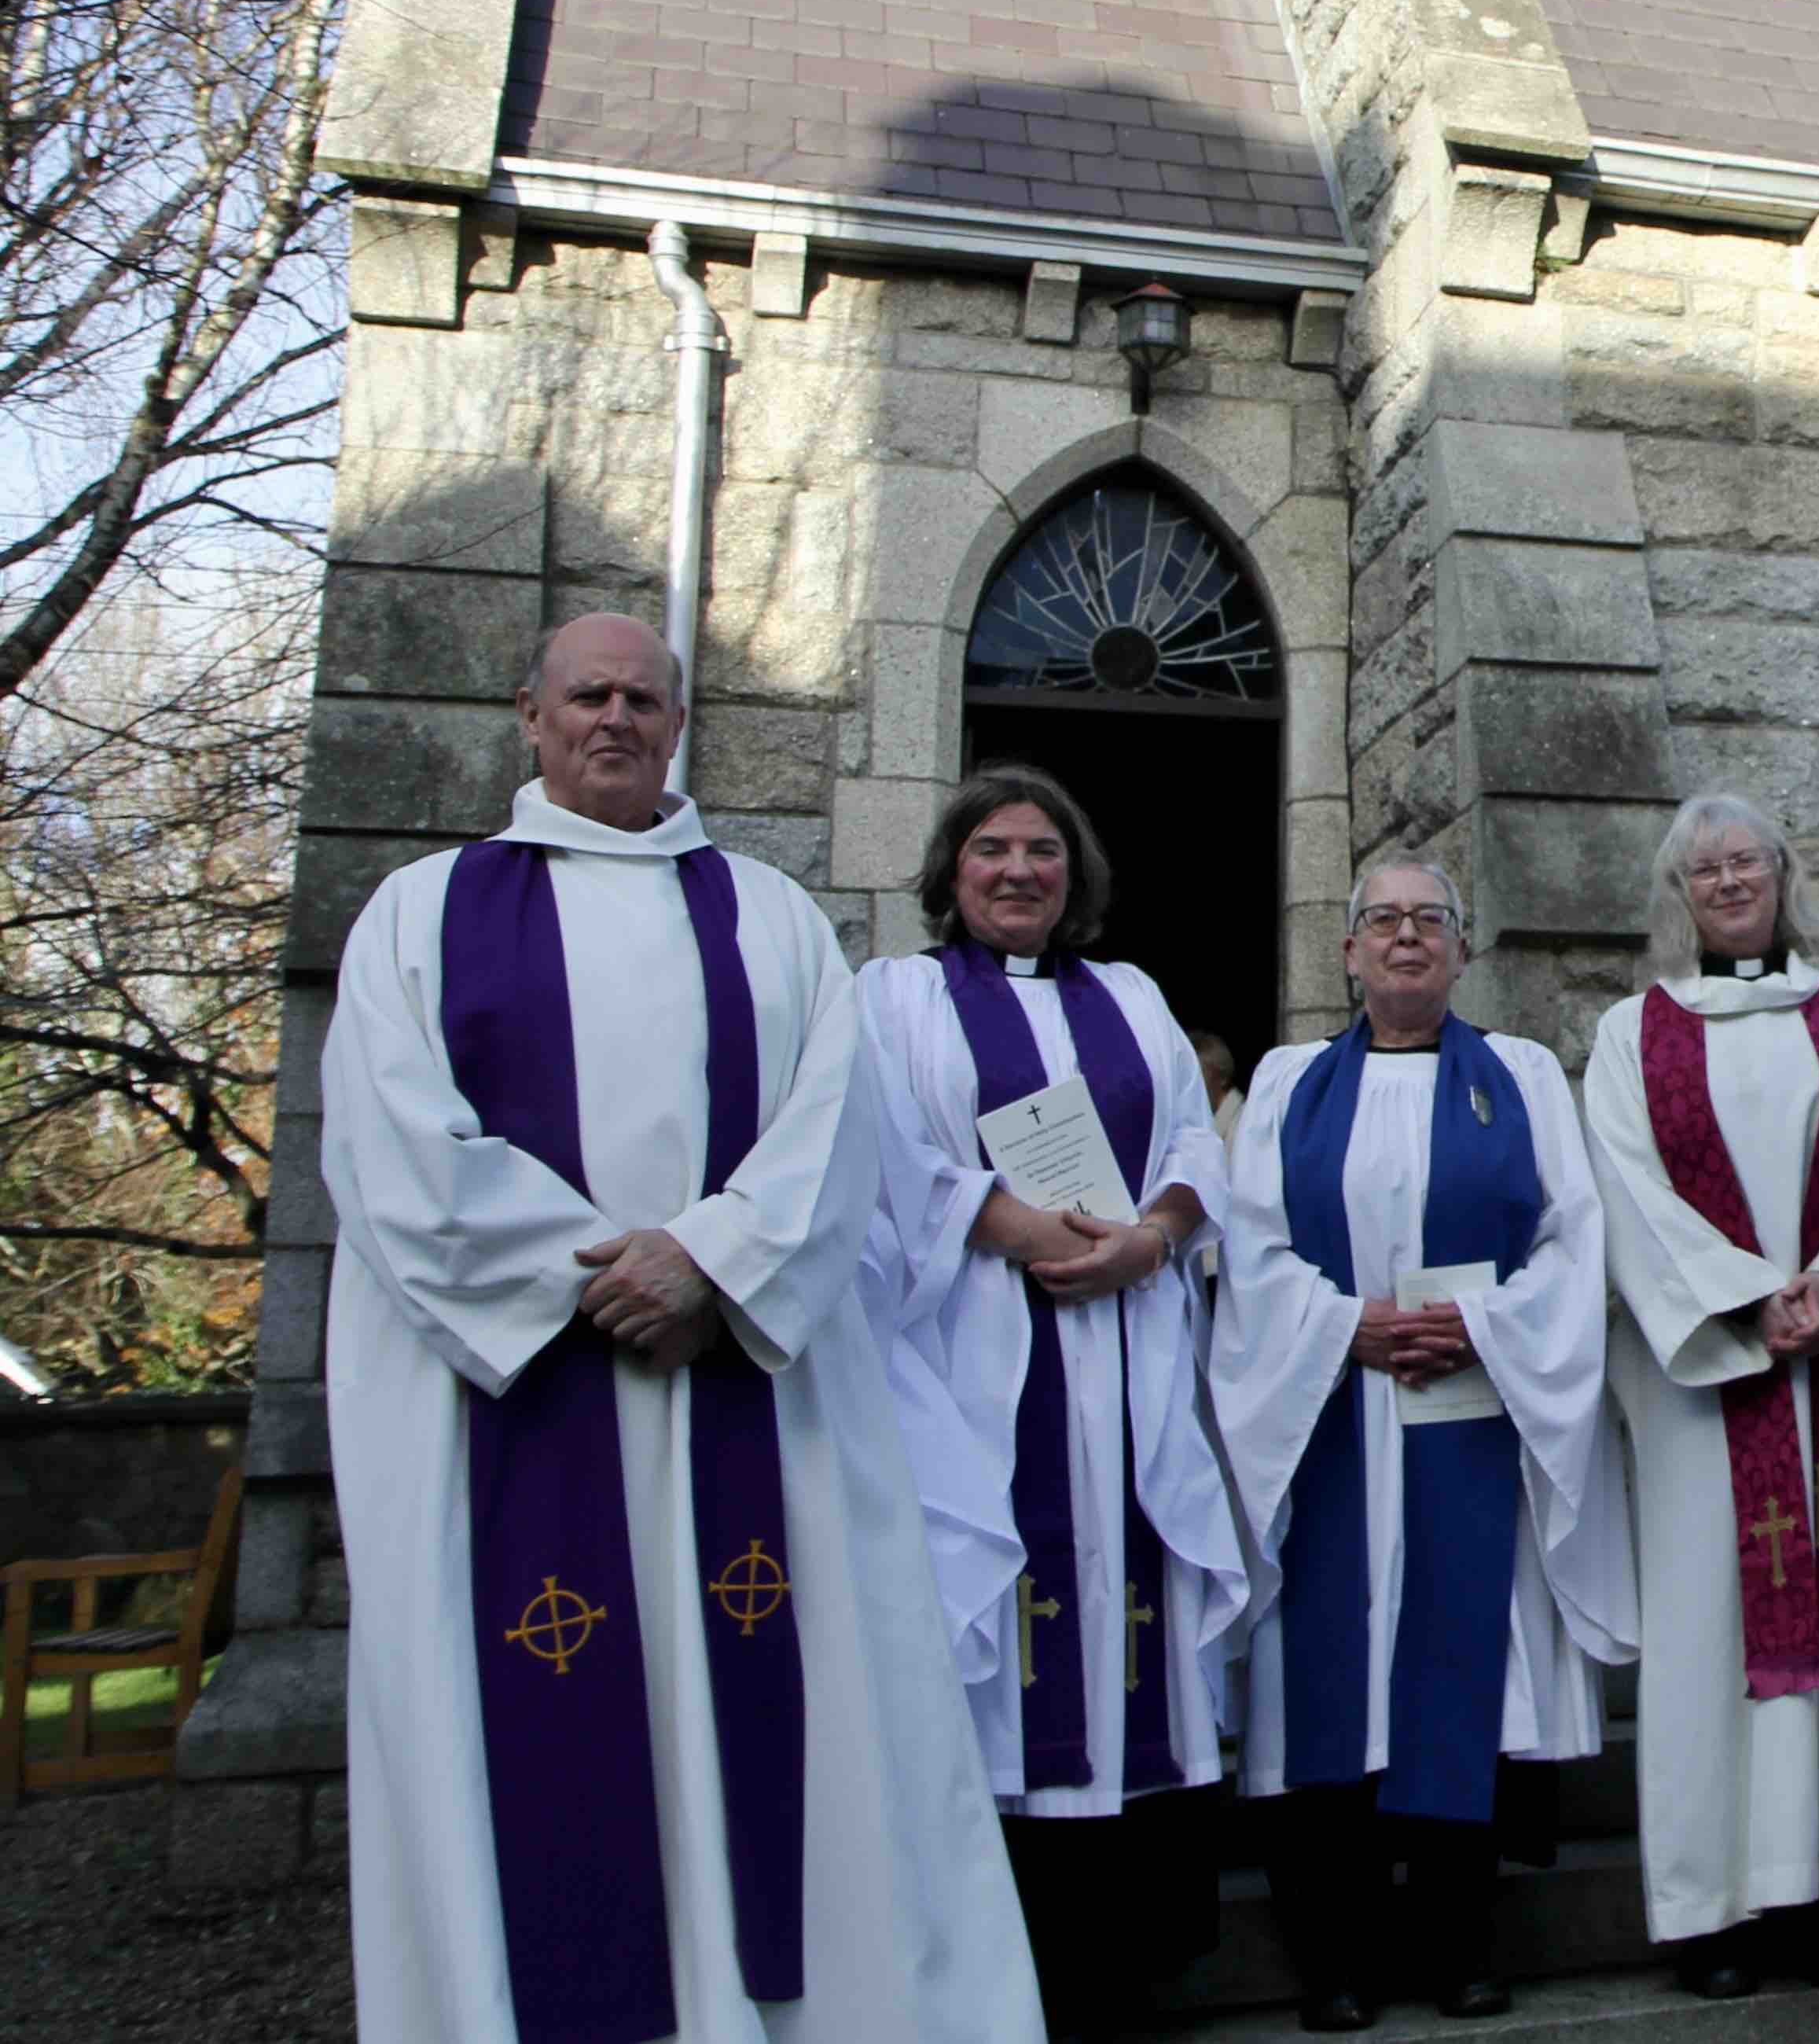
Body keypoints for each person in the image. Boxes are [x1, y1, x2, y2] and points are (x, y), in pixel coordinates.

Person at [318, 611, 1042, 2044]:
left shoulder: (771, 917)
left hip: (746, 1403)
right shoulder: (419, 912)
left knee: (788, 1743)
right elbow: (396, 1151)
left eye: (645, 699)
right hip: (515, 1415)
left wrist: (711, 1262)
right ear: (527, 713)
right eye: (586, 694)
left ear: (678, 723)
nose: (616, 719)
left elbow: (839, 1135)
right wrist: (608, 1276)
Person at [849, 766, 1251, 2040]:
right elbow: (880, 1160)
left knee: (1136, 1642)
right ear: (949, 869)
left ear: (1072, 874)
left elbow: (1195, 1142)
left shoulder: (1130, 997)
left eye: (1042, 850)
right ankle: (1002, 1968)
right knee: (1006, 1642)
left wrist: (1156, 1234)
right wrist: (1009, 1223)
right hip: (984, 1372)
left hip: (1128, 1355)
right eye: (992, 848)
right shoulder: (896, 999)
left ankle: (1129, 1969)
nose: (1018, 870)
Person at [1210, 861, 1635, 2031]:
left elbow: (1571, 1237)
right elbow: (1251, 1252)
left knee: (1468, 1671)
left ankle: (1457, 1946)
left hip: (1471, 1415)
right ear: (1346, 952)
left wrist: (1483, 1324)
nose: (1406, 940)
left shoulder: (1524, 1076)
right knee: (1330, 1677)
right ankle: (1335, 1957)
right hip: (1332, 1413)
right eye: (1382, 922)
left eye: (1429, 922)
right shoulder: (1292, 1082)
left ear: (1462, 950)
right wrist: (1346, 1326)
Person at [1579, 796, 1819, 1998]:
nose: (1729, 882)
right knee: (1709, 1632)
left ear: (1784, 876)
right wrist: (1743, 1298)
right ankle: (1714, 1907)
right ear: (1676, 895)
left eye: (1747, 862)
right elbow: (1623, 1188)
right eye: (1703, 868)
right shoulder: (1637, 1032)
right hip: (1710, 1381)